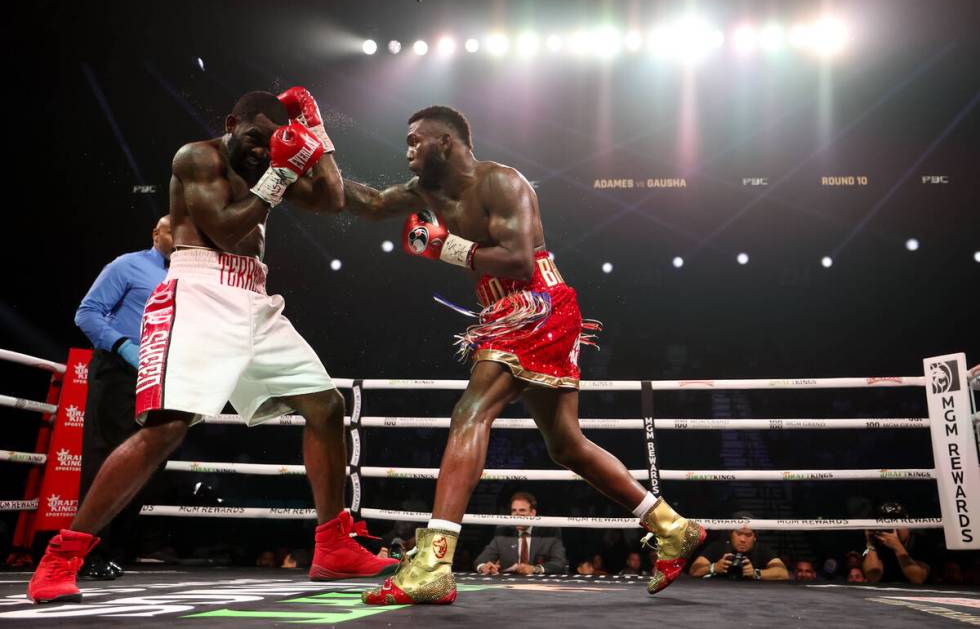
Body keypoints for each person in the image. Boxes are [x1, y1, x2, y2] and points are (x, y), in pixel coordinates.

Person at [27, 89, 397, 604]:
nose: (262, 151)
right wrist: (281, 172)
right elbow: (222, 228)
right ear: (232, 123)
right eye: (254, 138)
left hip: (254, 295)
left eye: (273, 144)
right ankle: (63, 556)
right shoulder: (196, 156)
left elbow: (333, 198)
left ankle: (332, 545)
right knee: (166, 429)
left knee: (326, 405)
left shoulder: (269, 162)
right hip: (199, 291)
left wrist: (316, 133)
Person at [342, 105, 704, 605]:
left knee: (471, 412)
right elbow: (366, 201)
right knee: (565, 444)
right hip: (509, 312)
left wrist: (445, 249)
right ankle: (670, 525)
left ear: (444, 142)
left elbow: (516, 259)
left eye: (414, 140)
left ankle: (434, 561)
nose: (405, 151)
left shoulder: (502, 182)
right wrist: (304, 159)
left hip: (535, 304)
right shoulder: (425, 193)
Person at [73, 215, 173, 579]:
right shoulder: (127, 264)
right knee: (107, 456)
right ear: (155, 233)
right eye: (171, 228)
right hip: (119, 369)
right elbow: (86, 313)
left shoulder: (188, 280)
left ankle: (117, 551)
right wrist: (123, 346)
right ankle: (85, 552)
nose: (178, 236)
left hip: (162, 375)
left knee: (147, 462)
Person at [473, 491, 567, 575]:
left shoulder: (549, 531)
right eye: (514, 510)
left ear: (532, 513)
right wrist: (483, 567)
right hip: (508, 587)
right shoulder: (503, 531)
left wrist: (534, 569)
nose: (517, 514)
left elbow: (559, 563)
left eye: (522, 510)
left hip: (542, 587)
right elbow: (480, 560)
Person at [689, 522, 789, 582]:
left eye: (748, 535)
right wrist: (714, 567)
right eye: (739, 533)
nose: (743, 539)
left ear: (755, 537)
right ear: (731, 534)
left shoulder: (761, 549)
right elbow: (694, 570)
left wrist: (756, 573)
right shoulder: (718, 547)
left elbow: (783, 573)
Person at [861, 502, 933, 584]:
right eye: (886, 522)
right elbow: (873, 577)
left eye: (897, 521)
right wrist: (871, 544)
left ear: (908, 524)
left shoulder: (920, 543)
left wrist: (897, 546)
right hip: (883, 593)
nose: (892, 527)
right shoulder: (876, 542)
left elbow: (918, 578)